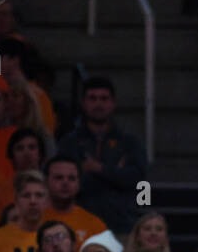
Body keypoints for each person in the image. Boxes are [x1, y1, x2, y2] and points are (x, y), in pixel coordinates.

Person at [55, 77, 149, 234]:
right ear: (83, 103)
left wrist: (98, 169)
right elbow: (66, 184)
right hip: (78, 227)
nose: (98, 104)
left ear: (113, 103)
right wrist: (115, 173)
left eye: (104, 99)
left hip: (123, 225)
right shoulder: (69, 142)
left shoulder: (130, 142)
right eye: (93, 98)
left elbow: (138, 181)